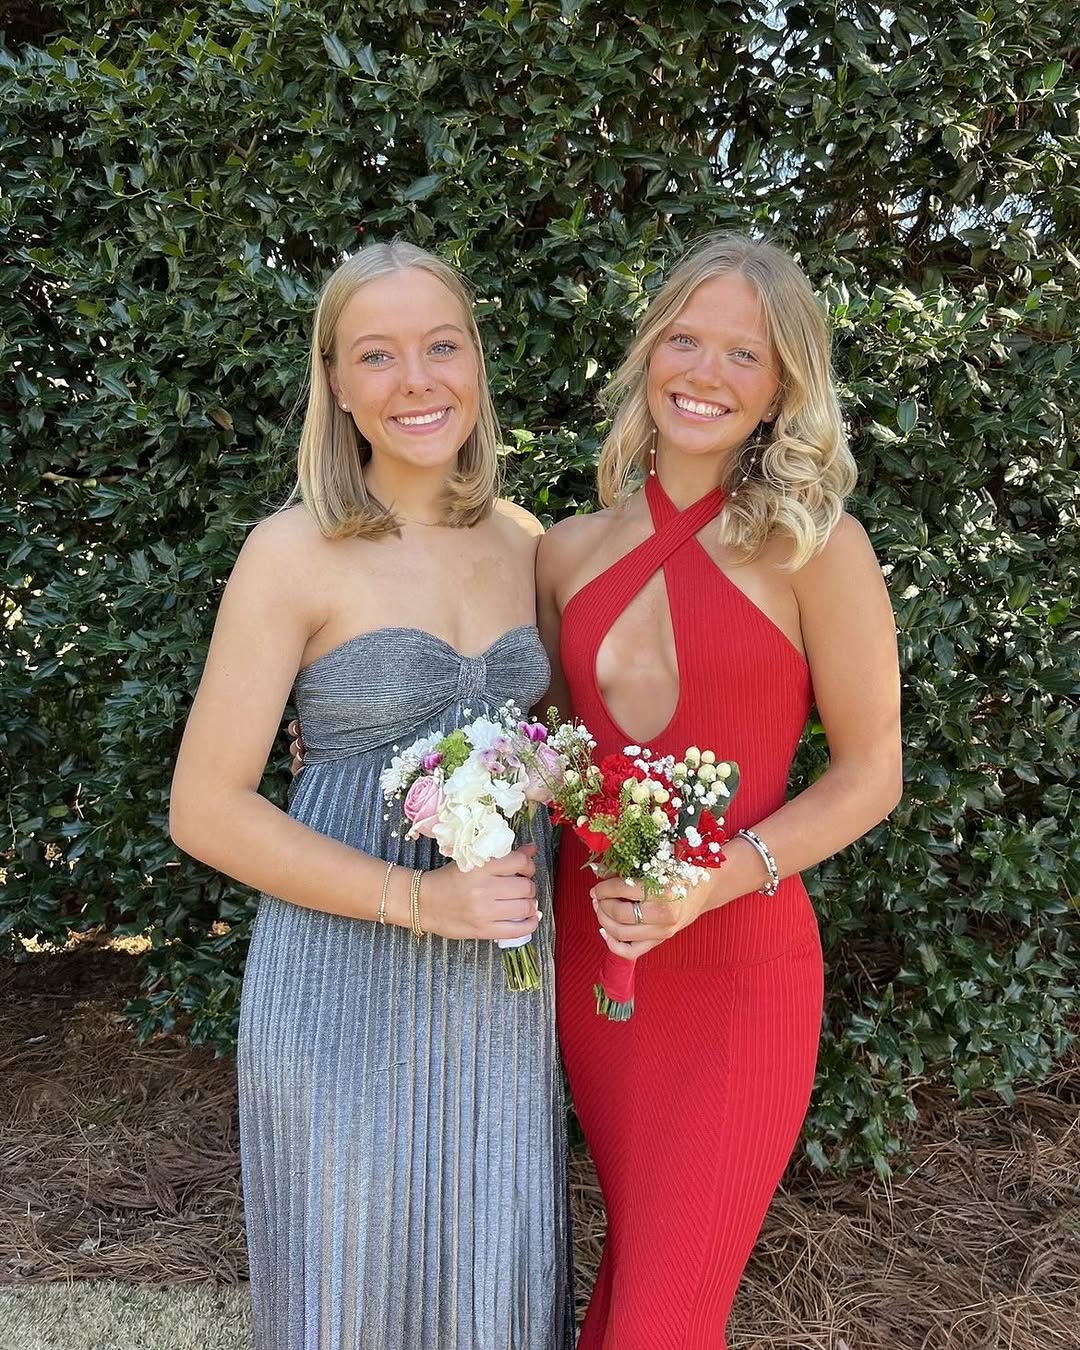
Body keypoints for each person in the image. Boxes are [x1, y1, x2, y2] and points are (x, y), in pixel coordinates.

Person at [169, 240, 573, 1350]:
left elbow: (564, 744)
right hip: (342, 981)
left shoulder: (527, 545)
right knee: (356, 1285)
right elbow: (205, 807)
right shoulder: (291, 551)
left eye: (442, 346)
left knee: (488, 1272)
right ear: (337, 383)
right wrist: (419, 900)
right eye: (377, 355)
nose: (416, 381)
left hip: (497, 990)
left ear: (476, 363)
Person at [535, 232, 902, 1348]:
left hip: (742, 975)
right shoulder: (562, 553)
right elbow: (555, 752)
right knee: (632, 1278)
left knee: (663, 1316)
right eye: (685, 340)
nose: (706, 373)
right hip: (599, 968)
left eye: (744, 354)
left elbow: (871, 774)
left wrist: (712, 879)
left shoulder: (818, 551)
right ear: (649, 352)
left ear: (783, 386)